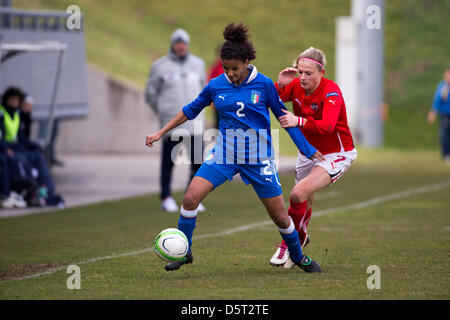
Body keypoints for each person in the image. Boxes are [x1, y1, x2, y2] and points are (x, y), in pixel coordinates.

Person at [146, 22, 324, 273]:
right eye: (227, 68)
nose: (230, 73)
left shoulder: (263, 85)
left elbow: (285, 119)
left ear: (247, 61)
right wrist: (160, 132)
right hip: (224, 154)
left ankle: (298, 256)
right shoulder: (216, 84)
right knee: (190, 198)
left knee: (280, 217)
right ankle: (185, 252)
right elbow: (189, 110)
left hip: (258, 157)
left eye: (235, 68)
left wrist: (305, 148)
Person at [269, 47, 357, 268]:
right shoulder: (296, 86)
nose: (303, 77)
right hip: (308, 151)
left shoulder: (332, 92)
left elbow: (327, 127)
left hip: (335, 154)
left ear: (322, 72)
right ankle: (302, 236)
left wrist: (298, 121)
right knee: (304, 195)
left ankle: (289, 243)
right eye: (300, 72)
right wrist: (280, 84)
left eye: (308, 73)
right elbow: (271, 100)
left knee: (298, 193)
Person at [145, 28, 207, 212]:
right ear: (173, 45)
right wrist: (163, 111)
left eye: (184, 44)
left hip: (195, 123)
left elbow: (204, 90)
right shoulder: (160, 66)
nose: (181, 47)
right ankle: (165, 197)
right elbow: (150, 93)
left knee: (197, 162)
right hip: (172, 123)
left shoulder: (198, 64)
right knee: (168, 162)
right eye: (178, 44)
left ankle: (192, 197)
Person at [0, 86, 65, 208]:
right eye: (12, 100)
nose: (14, 103)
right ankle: (23, 192)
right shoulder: (3, 114)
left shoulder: (17, 115)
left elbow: (20, 137)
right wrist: (5, 147)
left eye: (16, 101)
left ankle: (45, 193)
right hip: (6, 149)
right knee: (19, 161)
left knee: (38, 157)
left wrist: (35, 145)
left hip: (16, 147)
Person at [427, 68, 450, 163]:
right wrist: (433, 113)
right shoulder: (444, 87)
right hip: (445, 114)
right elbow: (437, 101)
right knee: (445, 133)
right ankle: (446, 154)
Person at [207, 44, 224, 128]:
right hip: (217, 103)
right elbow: (209, 84)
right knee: (218, 125)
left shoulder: (232, 68)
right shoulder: (215, 68)